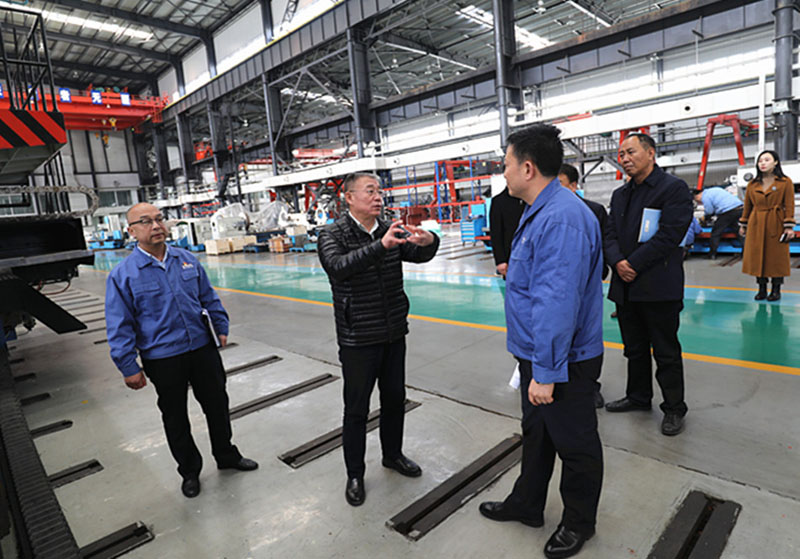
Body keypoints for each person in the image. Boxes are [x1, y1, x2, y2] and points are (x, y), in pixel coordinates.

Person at [478, 125, 604, 559]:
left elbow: (556, 302)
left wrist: (547, 372)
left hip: (562, 359)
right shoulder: (541, 209)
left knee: (575, 442)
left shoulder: (560, 218)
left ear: (528, 168)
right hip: (539, 353)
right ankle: (527, 503)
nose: (504, 173)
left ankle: (579, 522)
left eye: (507, 165)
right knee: (537, 434)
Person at [105, 203, 258, 499]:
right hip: (163, 357)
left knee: (217, 405)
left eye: (159, 219)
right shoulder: (123, 275)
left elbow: (208, 297)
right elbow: (119, 323)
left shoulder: (186, 260)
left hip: (202, 348)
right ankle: (189, 471)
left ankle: (226, 455)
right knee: (175, 416)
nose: (156, 226)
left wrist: (220, 325)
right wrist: (128, 366)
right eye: (146, 221)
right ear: (131, 231)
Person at [317, 172, 439, 507]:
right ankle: (355, 473)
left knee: (395, 399)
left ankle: (393, 454)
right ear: (349, 197)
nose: (377, 197)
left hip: (393, 332)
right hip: (358, 337)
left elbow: (418, 255)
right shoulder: (332, 234)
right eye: (369, 191)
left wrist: (429, 241)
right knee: (357, 409)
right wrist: (379, 246)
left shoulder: (389, 229)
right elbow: (338, 266)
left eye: (379, 191)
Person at [603, 133, 693, 436]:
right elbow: (609, 233)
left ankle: (674, 408)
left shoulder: (673, 189)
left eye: (631, 152)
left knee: (665, 351)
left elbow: (670, 235)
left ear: (651, 153)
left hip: (658, 286)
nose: (625, 159)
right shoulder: (620, 194)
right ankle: (639, 397)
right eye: (621, 154)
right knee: (634, 349)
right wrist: (618, 262)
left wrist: (633, 264)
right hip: (626, 287)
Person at [558, 163, 608, 409]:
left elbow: (604, 244)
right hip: (560, 288)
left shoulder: (593, 211)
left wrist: (601, 272)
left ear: (574, 185)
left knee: (586, 337)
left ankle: (591, 387)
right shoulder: (545, 212)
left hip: (587, 285)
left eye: (560, 184)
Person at [738, 150, 796, 301]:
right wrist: (743, 224)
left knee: (777, 257)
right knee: (757, 256)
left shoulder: (785, 182)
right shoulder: (752, 184)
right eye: (760, 161)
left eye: (767, 160)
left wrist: (789, 226)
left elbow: (789, 205)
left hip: (776, 222)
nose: (762, 163)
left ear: (775, 162)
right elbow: (747, 206)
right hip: (756, 222)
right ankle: (761, 288)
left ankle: (776, 289)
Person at [692, 186, 744, 259]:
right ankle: (745, 253)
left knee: (716, 233)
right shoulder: (714, 190)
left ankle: (712, 254)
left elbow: (709, 211)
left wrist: (705, 218)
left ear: (697, 196)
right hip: (740, 209)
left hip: (728, 211)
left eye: (698, 201)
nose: (700, 202)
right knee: (739, 231)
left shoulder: (705, 197)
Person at [489, 186, 525, 279]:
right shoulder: (499, 201)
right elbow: (496, 234)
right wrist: (500, 260)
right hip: (511, 259)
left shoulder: (529, 200)